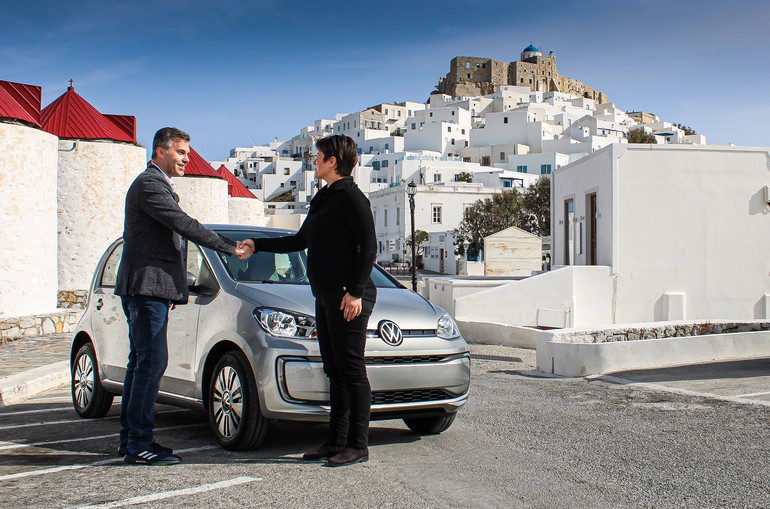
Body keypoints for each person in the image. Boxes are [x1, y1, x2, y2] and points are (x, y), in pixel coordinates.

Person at [239, 134, 377, 467]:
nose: (314, 161)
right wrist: (257, 244)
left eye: (318, 156)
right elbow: (299, 241)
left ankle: (358, 445)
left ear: (333, 161)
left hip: (348, 296)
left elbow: (369, 247)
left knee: (351, 370)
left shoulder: (352, 197)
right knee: (334, 371)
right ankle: (335, 442)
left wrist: (355, 292)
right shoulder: (323, 198)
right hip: (325, 295)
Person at [115, 127, 247, 465]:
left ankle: (131, 440)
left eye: (187, 153)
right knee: (150, 364)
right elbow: (183, 224)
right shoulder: (150, 184)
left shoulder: (156, 184)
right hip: (146, 286)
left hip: (151, 288)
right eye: (180, 152)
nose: (187, 159)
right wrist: (228, 247)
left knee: (142, 363)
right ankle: (138, 444)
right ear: (161, 151)